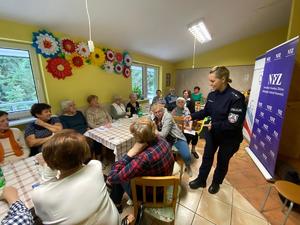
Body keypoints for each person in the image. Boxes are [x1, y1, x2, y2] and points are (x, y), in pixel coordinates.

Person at [31, 130, 120, 225]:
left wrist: (48, 164)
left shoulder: (40, 194)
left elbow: (46, 185)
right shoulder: (95, 166)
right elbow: (76, 158)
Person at [188, 66, 246, 194]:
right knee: (207, 157)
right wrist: (191, 116)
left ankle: (216, 183)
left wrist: (214, 125)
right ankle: (201, 180)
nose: (210, 84)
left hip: (229, 138)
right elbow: (206, 111)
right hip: (213, 134)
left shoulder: (236, 97)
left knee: (222, 161)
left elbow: (233, 123)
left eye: (213, 81)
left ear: (223, 79)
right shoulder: (212, 95)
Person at [108, 117, 174, 212]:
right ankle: (115, 198)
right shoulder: (162, 140)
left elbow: (112, 177)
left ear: (139, 139)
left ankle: (115, 203)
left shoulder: (144, 158)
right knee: (127, 168)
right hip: (163, 186)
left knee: (120, 175)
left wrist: (130, 153)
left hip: (150, 195)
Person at [151, 103, 192, 176]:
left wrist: (154, 130)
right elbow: (149, 118)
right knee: (160, 155)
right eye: (155, 112)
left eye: (159, 111)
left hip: (176, 138)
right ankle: (166, 169)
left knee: (187, 156)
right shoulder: (153, 116)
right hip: (165, 140)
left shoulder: (168, 117)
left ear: (163, 110)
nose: (157, 114)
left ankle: (188, 166)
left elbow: (163, 134)